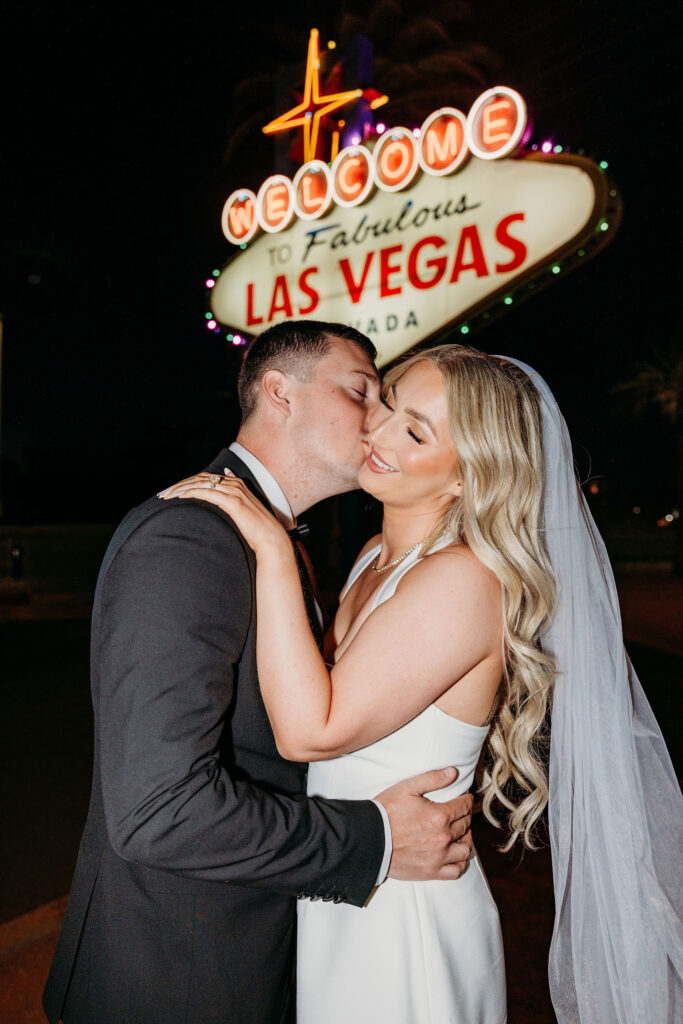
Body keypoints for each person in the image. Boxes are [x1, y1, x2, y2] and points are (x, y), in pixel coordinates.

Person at [163, 343, 683, 1024]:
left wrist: (267, 547)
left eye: (414, 432)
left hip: (402, 911)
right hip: (347, 874)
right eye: (383, 404)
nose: (376, 433)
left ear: (469, 475)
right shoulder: (374, 556)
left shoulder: (462, 579)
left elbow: (310, 731)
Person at [42, 322, 476, 1024]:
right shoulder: (191, 537)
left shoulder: (274, 542)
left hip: (244, 960)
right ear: (279, 391)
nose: (378, 420)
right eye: (362, 390)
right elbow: (159, 813)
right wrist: (376, 838)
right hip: (175, 983)